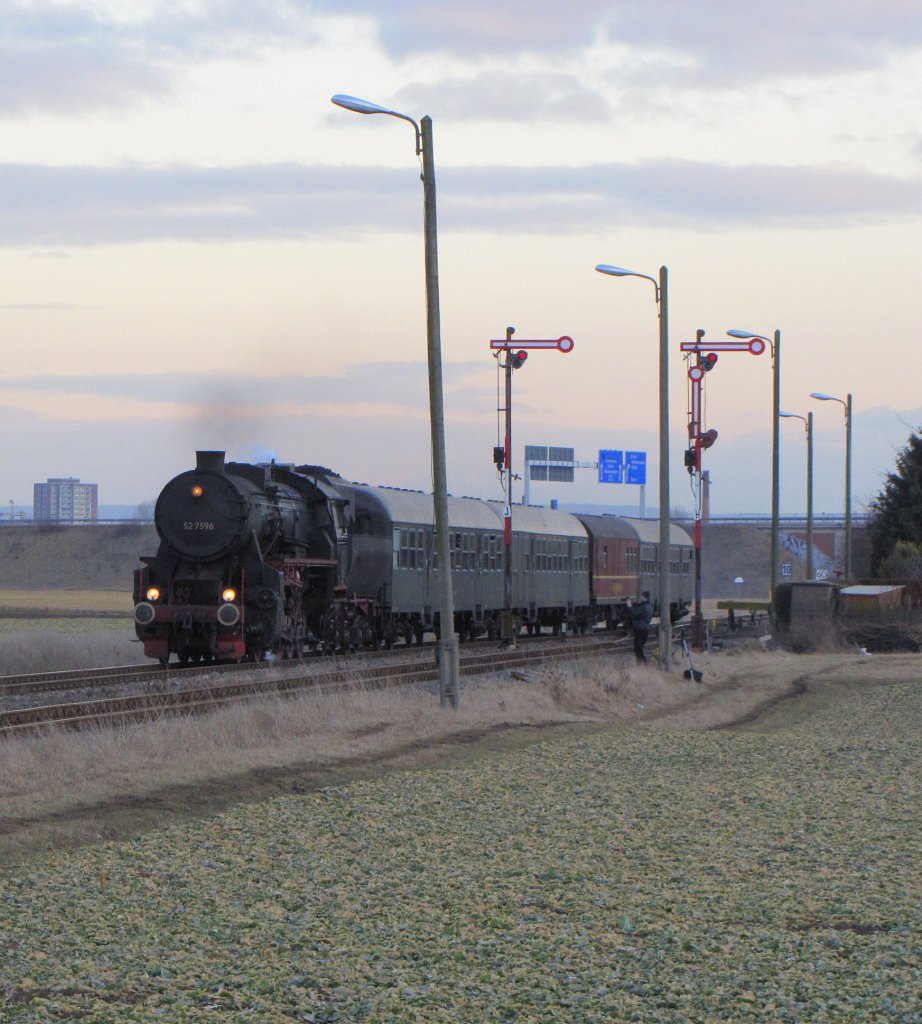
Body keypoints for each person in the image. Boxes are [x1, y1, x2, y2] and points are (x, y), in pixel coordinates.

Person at [626, 590, 653, 663]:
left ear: (644, 597)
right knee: (639, 648)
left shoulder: (644, 607)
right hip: (643, 629)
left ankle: (644, 663)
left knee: (639, 648)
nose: (640, 597)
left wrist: (629, 606)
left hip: (641, 630)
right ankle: (640, 664)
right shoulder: (648, 605)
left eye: (641, 596)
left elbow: (634, 613)